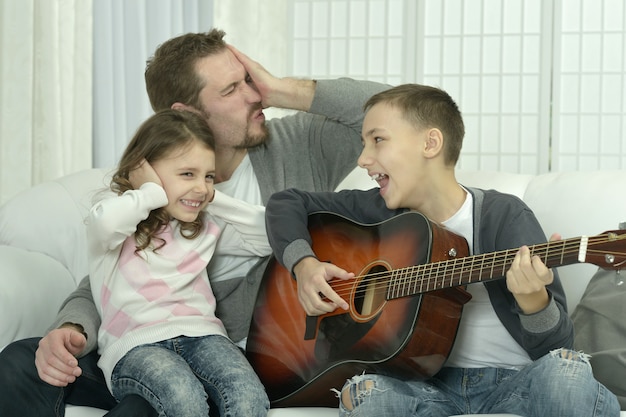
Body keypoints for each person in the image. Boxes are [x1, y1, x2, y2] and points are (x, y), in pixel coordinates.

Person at [0, 29, 389, 416]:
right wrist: (71, 328)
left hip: (230, 352)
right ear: (185, 114)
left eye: (249, 81)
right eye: (231, 90)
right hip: (141, 344)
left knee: (150, 407)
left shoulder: (299, 146)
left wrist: (281, 89)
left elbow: (397, 113)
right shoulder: (149, 192)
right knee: (21, 358)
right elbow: (113, 274)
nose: (254, 95)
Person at [263, 84, 621, 416]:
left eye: (377, 140)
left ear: (430, 143)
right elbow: (286, 203)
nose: (363, 159)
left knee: (565, 372)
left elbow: (555, 347)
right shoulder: (377, 211)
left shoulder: (503, 215)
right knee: (364, 393)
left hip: (513, 384)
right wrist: (304, 265)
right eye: (363, 143)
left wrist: (533, 302)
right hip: (425, 388)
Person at [86, 109, 270, 416]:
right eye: (187, 174)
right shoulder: (117, 217)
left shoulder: (205, 224)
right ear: (144, 171)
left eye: (208, 175)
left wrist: (213, 196)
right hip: (135, 344)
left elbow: (266, 236)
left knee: (247, 395)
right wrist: (149, 192)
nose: (201, 186)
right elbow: (105, 224)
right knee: (184, 398)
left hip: (204, 334)